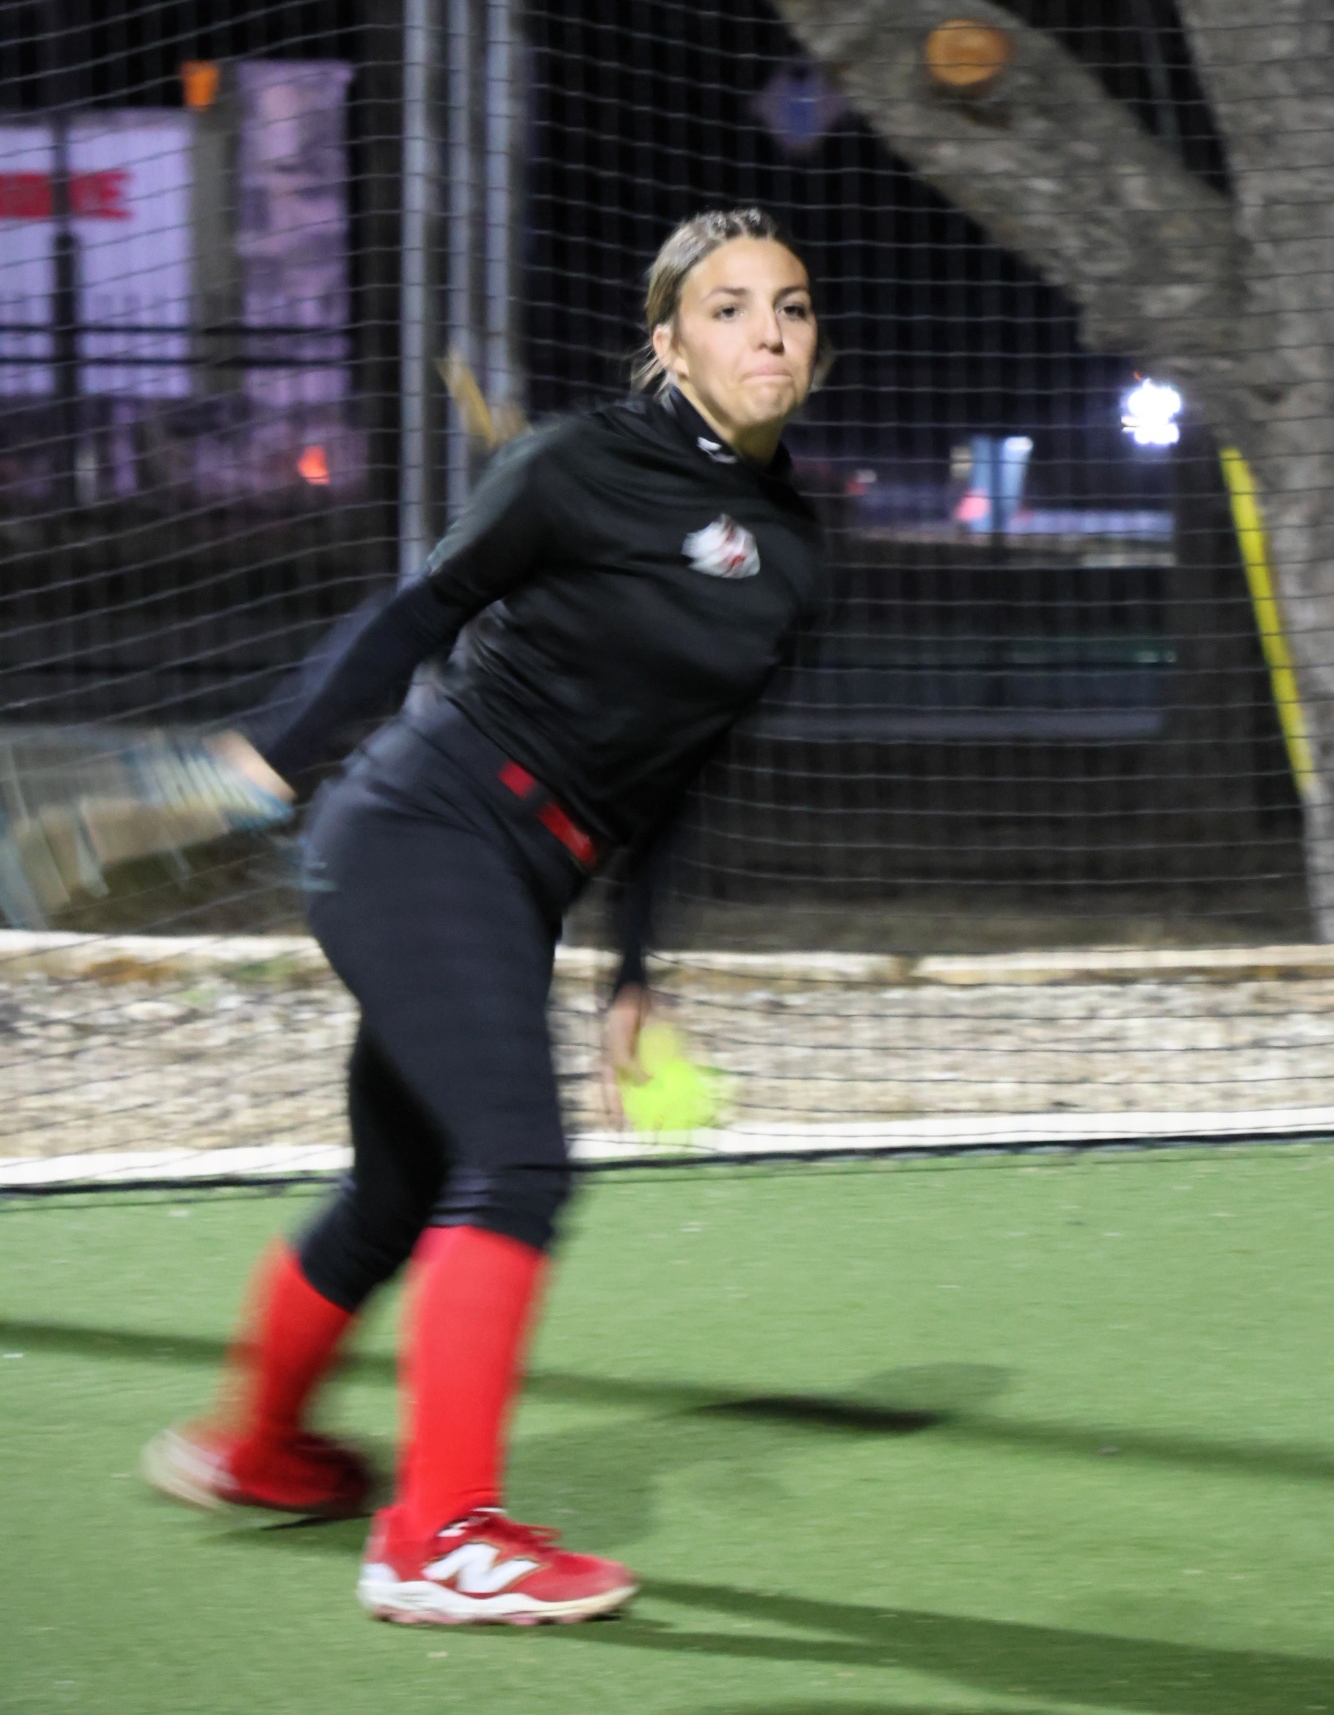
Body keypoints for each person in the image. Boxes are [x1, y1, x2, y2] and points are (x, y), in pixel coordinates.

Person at [143, 208, 828, 1628]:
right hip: (419, 827)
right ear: (669, 344)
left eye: (792, 307)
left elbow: (681, 770)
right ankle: (437, 1537)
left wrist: (633, 978)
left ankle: (255, 1449)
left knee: (401, 1190)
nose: (769, 332)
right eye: (729, 308)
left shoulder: (795, 555)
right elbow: (419, 612)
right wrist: (277, 752)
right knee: (516, 1165)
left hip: (523, 876)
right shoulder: (577, 462)